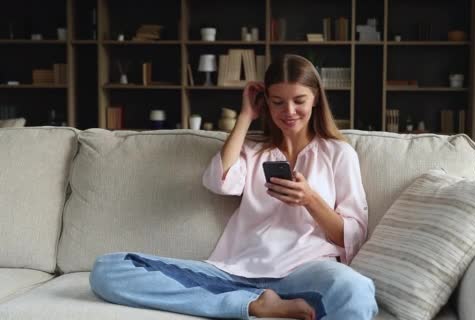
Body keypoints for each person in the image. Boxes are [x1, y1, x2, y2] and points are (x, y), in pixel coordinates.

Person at [89, 54, 377, 320]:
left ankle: (249, 301)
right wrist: (245, 116)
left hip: (306, 270)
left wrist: (311, 199)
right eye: (277, 102)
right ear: (266, 102)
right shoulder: (252, 152)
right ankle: (254, 304)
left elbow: (351, 235)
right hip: (237, 271)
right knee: (108, 269)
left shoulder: (338, 154)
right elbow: (219, 181)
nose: (289, 111)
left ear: (315, 99)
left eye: (299, 100)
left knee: (356, 289)